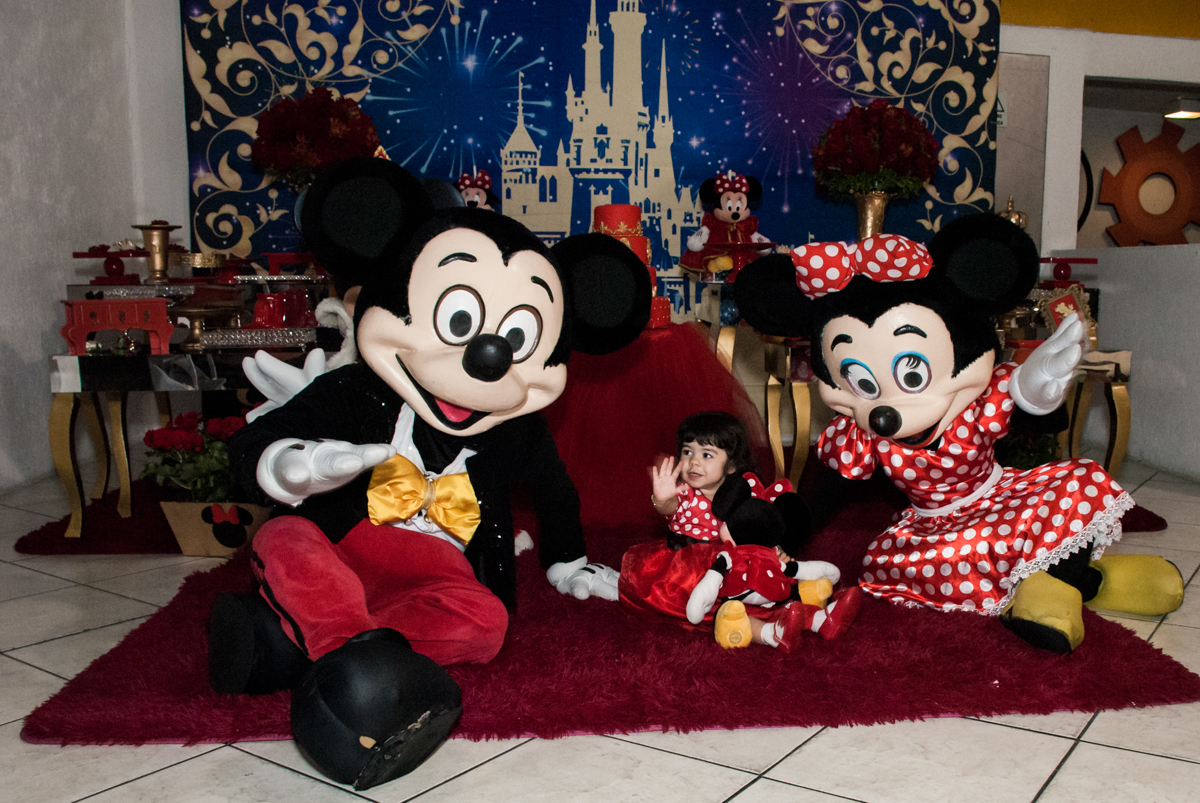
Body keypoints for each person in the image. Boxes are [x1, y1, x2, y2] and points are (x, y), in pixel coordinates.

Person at [619, 411, 861, 651]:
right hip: (690, 572)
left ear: (732, 463)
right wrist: (661, 498)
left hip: (741, 561)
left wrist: (776, 551)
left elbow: (758, 530)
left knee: (772, 585)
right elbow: (669, 507)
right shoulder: (684, 494)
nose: (694, 462)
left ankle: (821, 618)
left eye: (706, 455)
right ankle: (771, 633)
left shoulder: (746, 493)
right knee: (730, 609)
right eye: (687, 451)